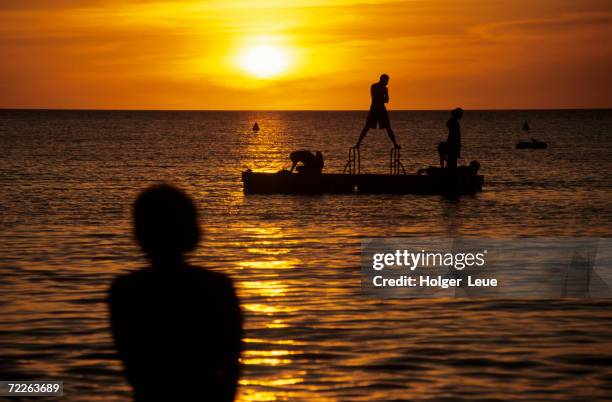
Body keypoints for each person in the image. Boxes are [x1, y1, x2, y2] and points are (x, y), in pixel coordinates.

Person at [108, 184, 242, 402]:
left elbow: (133, 366)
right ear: (191, 228)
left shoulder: (125, 290)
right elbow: (230, 363)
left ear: (140, 232)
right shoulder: (218, 286)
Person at [355, 74, 400, 149]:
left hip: (381, 109)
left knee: (388, 128)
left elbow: (387, 100)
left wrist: (382, 99)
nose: (387, 82)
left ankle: (395, 144)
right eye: (386, 81)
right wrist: (382, 99)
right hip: (375, 109)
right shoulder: (374, 86)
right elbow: (378, 98)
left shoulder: (384, 88)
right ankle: (358, 144)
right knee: (367, 127)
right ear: (382, 80)